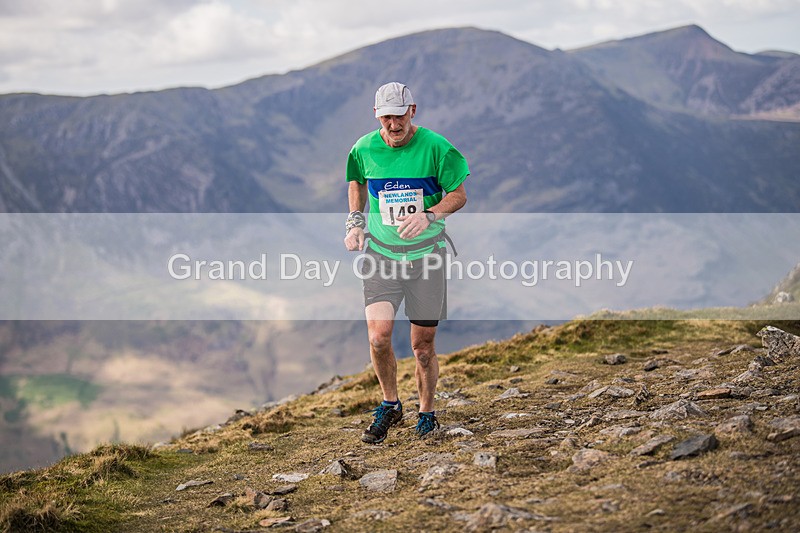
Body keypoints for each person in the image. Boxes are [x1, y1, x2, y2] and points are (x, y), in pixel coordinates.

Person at [344, 82, 469, 444]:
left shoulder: (437, 147)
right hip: (381, 256)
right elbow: (356, 180)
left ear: (412, 111)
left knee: (422, 347)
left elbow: (459, 195)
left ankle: (427, 413)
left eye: (399, 117)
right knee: (379, 337)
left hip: (426, 259)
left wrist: (430, 214)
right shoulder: (363, 147)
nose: (393, 126)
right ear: (376, 116)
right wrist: (355, 220)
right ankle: (390, 404)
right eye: (386, 119)